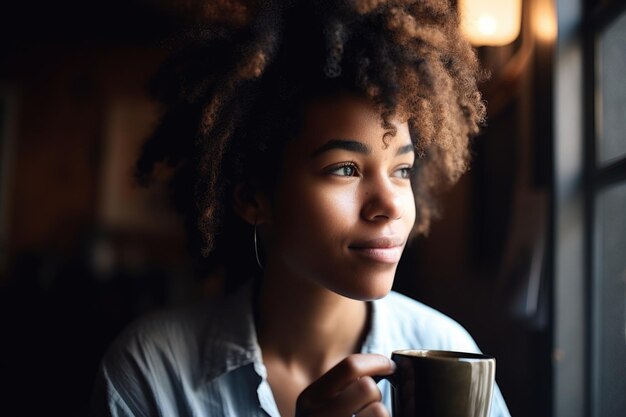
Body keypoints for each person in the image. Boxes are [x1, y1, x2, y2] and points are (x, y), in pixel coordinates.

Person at [91, 0, 511, 416]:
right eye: (345, 168)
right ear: (252, 198)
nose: (390, 205)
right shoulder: (152, 373)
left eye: (401, 169)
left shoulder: (451, 352)